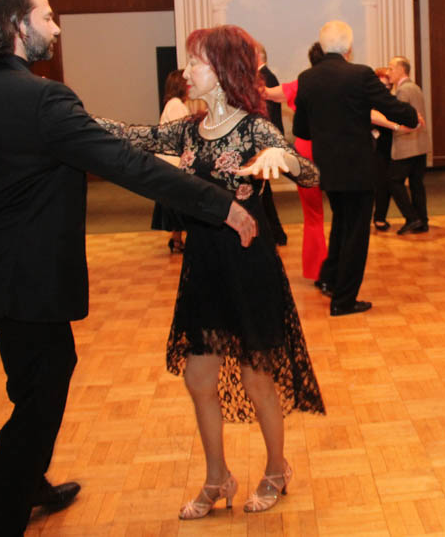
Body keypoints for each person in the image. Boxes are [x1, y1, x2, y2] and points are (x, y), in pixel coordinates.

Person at [0, 0, 257, 536]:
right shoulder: (44, 99)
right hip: (27, 277)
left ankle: (31, 482)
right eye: (47, 16)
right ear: (15, 27)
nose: (55, 26)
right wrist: (218, 205)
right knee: (42, 390)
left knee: (27, 376)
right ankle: (0, 520)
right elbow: (126, 166)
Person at [98, 25, 326, 517]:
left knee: (256, 377)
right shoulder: (187, 128)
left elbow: (312, 173)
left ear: (223, 72)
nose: (186, 72)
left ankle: (276, 468)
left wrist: (281, 156)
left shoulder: (254, 128)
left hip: (249, 265)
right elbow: (130, 133)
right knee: (199, 378)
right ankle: (218, 477)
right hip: (202, 265)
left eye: (196, 62)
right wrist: (67, 118)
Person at [293, 20, 419, 316]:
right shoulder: (359, 74)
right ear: (348, 48)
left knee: (342, 224)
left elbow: (302, 129)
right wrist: (412, 116)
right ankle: (344, 300)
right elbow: (391, 106)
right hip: (358, 169)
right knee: (355, 234)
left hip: (328, 169)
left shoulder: (307, 78)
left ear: (322, 47)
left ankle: (329, 278)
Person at [264, 42, 328, 281]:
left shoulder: (304, 83)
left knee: (313, 217)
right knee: (344, 215)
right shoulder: (344, 83)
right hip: (334, 151)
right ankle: (334, 270)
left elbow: (269, 93)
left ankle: (317, 269)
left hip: (306, 151)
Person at [384, 55, 430, 235]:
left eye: (391, 69)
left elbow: (402, 118)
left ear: (401, 70)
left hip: (407, 144)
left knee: (394, 181)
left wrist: (389, 125)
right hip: (420, 144)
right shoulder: (416, 87)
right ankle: (422, 221)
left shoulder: (403, 91)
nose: (388, 73)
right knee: (417, 184)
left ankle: (412, 218)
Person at [151, 69, 191, 252]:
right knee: (181, 205)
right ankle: (177, 240)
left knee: (178, 205)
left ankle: (176, 240)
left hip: (170, 162)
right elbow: (182, 134)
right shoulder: (176, 105)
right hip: (173, 163)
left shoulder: (173, 104)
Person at [256, 44, 289, 246]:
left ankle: (275, 233)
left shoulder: (265, 78)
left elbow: (266, 115)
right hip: (265, 142)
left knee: (262, 190)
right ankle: (274, 233)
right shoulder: (266, 77)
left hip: (265, 142)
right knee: (262, 189)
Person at [371, 67, 393, 231]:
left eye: (388, 86)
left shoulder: (392, 102)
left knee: (384, 184)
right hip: (365, 148)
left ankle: (380, 218)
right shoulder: (365, 101)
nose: (385, 89)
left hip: (385, 149)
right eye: (382, 85)